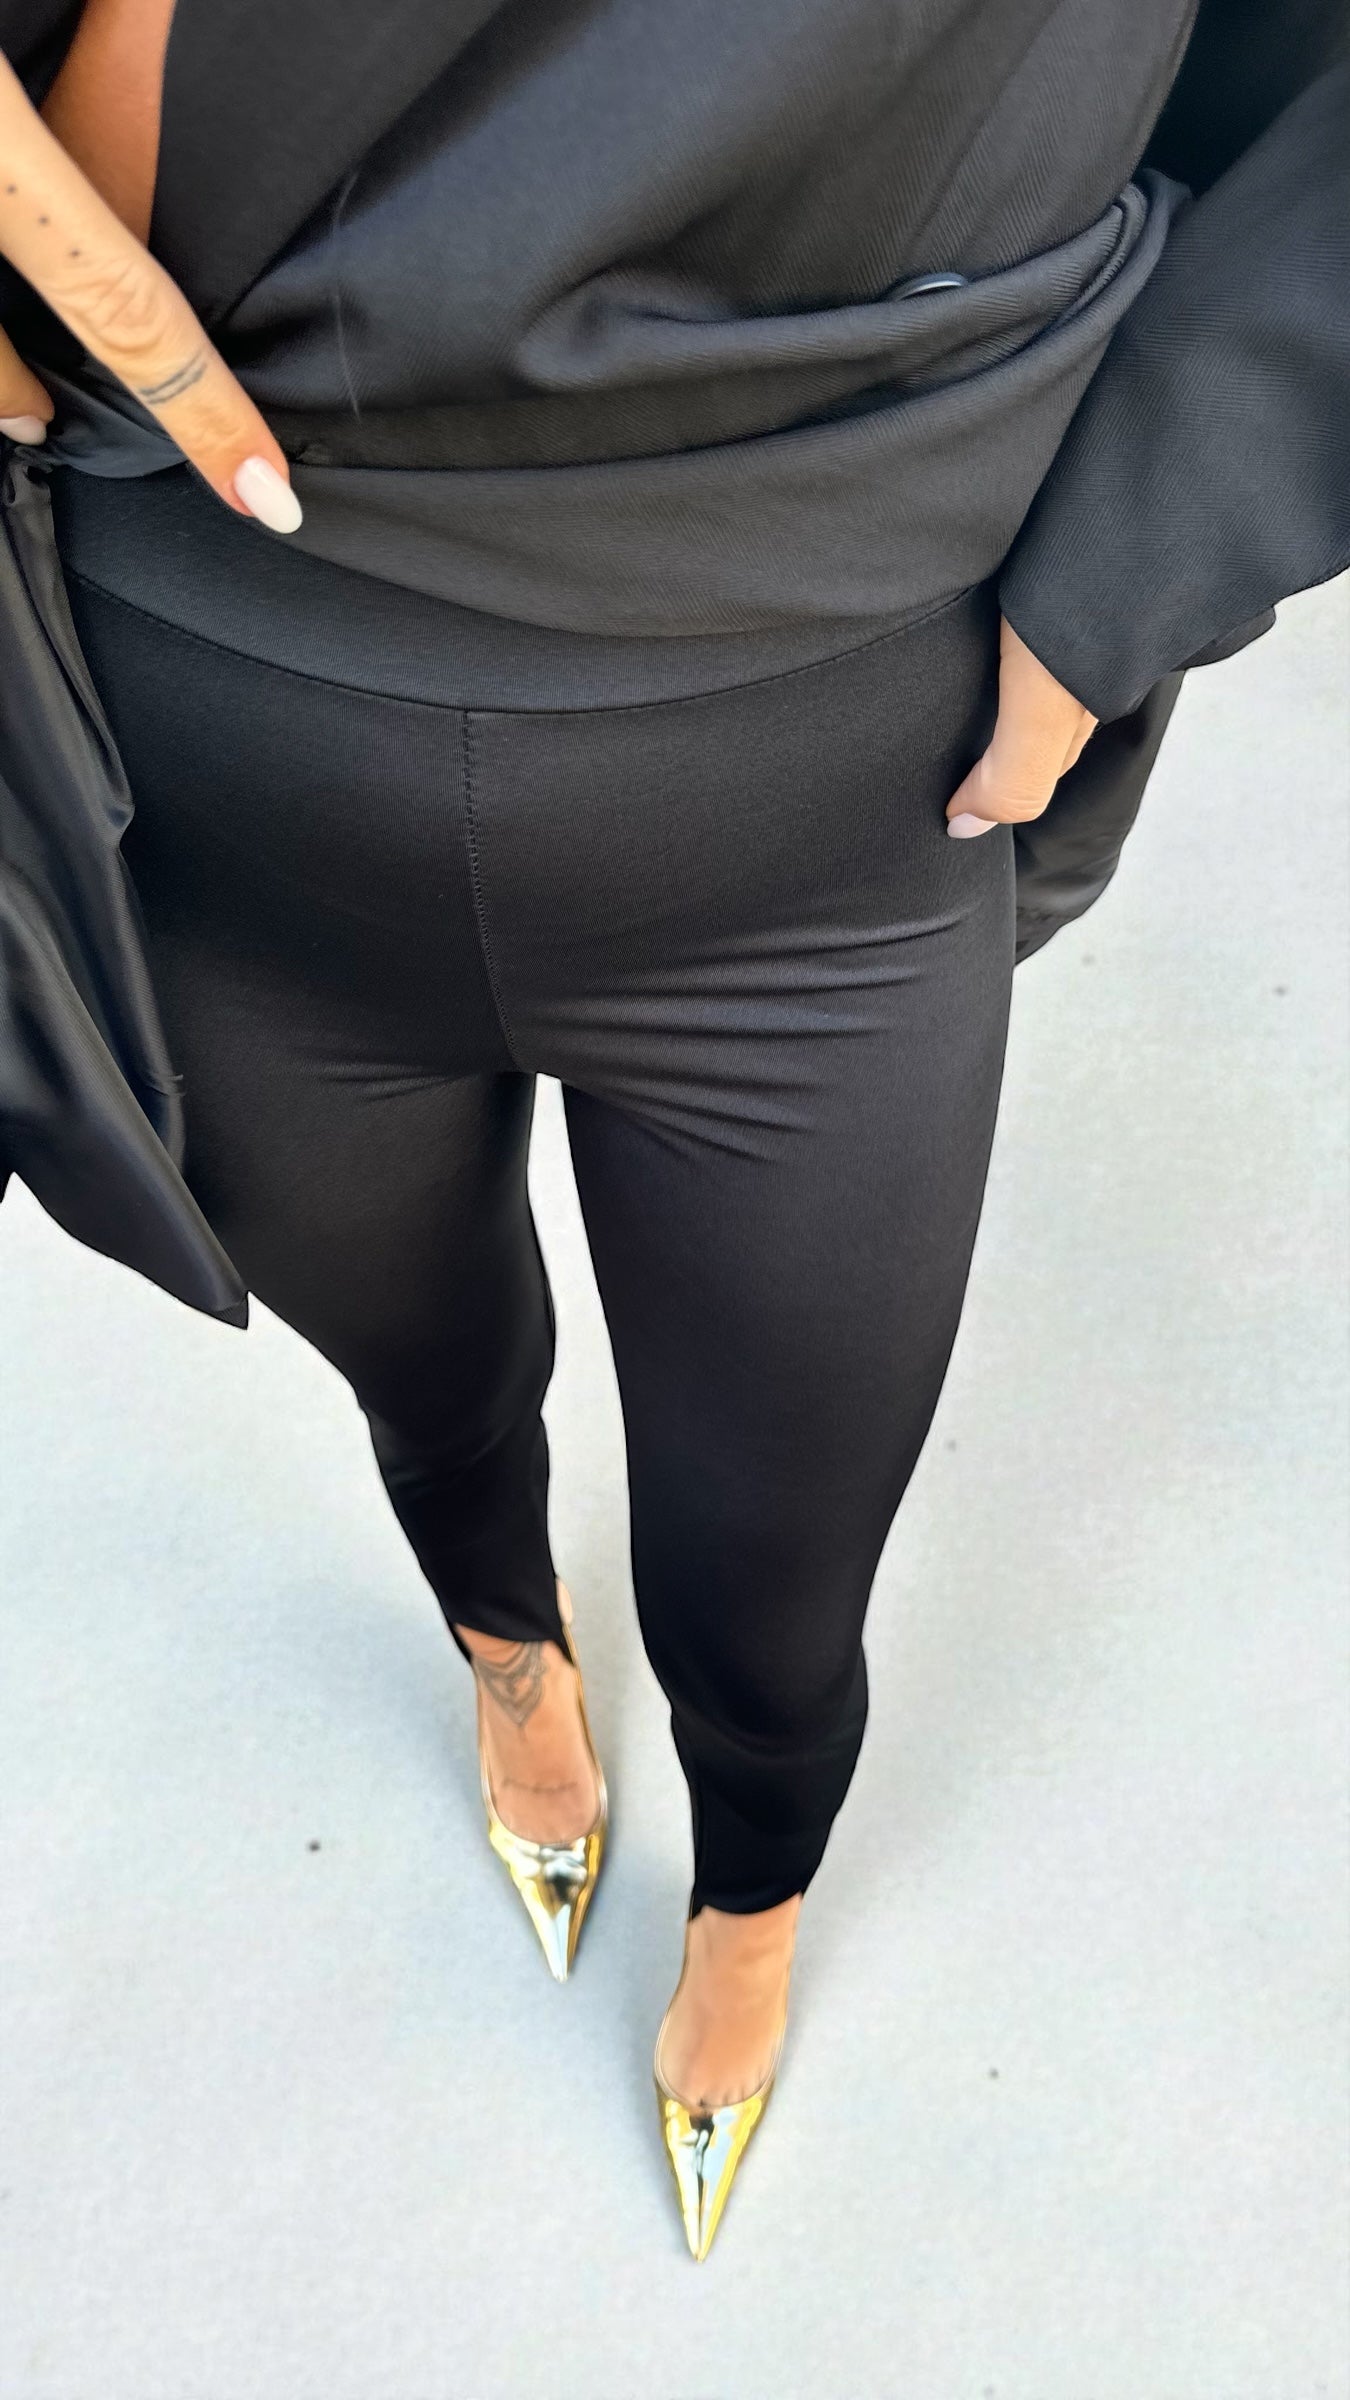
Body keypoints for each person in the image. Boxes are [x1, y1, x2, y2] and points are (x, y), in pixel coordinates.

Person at [1, 0, 1345, 2261]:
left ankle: (749, 1900)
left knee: (778, 1545)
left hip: (825, 764)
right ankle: (514, 1659)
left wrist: (1173, 505)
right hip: (208, 710)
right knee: (421, 1370)